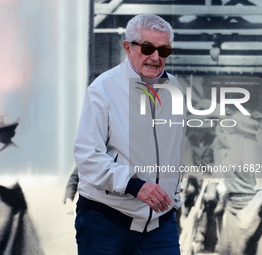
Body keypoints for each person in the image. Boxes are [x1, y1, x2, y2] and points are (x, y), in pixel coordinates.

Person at [73, 14, 185, 254]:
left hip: (160, 224)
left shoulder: (174, 88)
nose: (155, 57)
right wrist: (134, 185)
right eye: (147, 48)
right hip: (106, 222)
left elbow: (174, 149)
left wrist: (174, 196)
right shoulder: (103, 89)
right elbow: (87, 155)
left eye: (163, 50)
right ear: (128, 47)